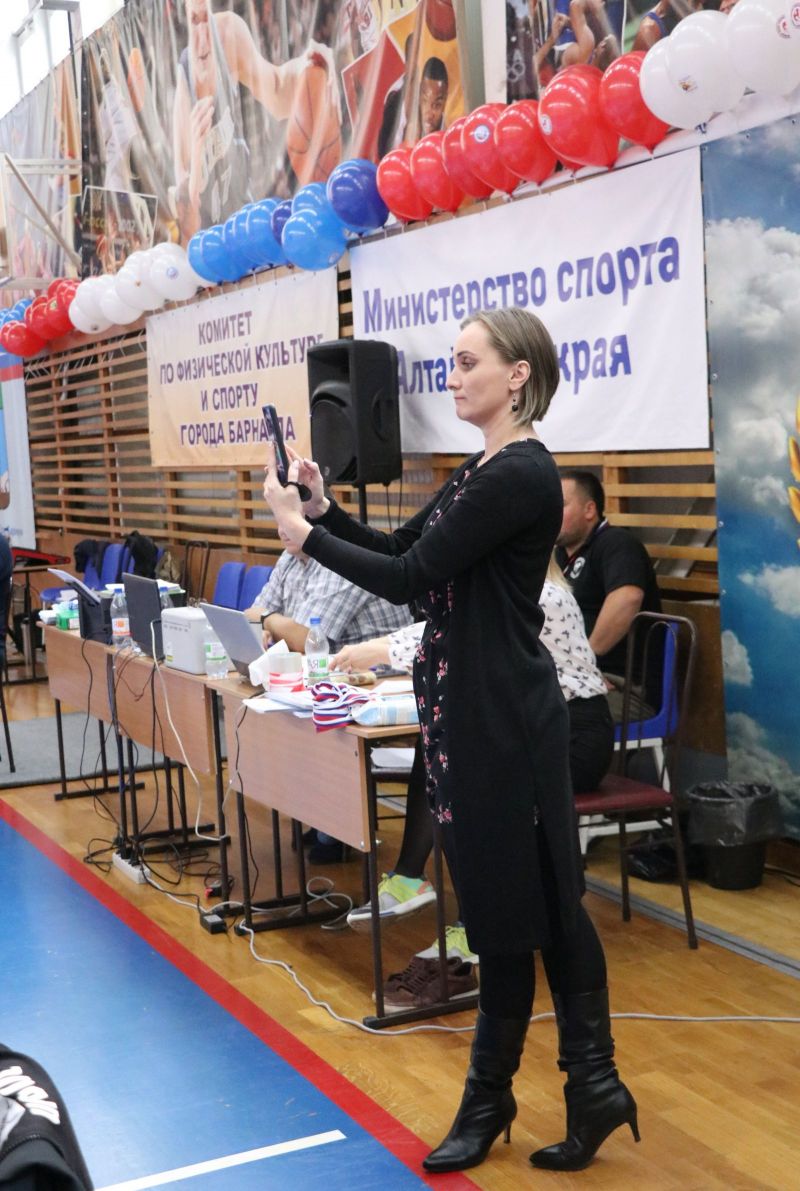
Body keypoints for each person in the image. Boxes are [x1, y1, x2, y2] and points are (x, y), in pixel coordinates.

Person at [263, 306, 637, 1175]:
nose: (453, 375)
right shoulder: (484, 468)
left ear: (517, 374)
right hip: (474, 712)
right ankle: (583, 1086)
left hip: (504, 719)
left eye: (469, 361)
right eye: (454, 361)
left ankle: (507, 1094)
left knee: (516, 913)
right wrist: (325, 510)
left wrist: (303, 535)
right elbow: (402, 545)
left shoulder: (521, 473)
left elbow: (407, 577)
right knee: (526, 907)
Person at [334, 560, 614, 1012]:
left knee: (471, 779)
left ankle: (466, 931)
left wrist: (379, 648)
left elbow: (457, 634)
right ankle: (415, 882)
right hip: (528, 729)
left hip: (576, 737)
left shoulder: (540, 593)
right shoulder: (508, 588)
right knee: (442, 751)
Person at [245, 534, 412, 863]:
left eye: (289, 521)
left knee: (320, 713)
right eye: (278, 521)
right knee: (292, 714)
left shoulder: (342, 557)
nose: (281, 530)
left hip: (381, 678)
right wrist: (266, 621)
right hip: (337, 672)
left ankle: (337, 829)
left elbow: (308, 636)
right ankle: (324, 819)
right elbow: (252, 612)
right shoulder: (290, 558)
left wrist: (269, 619)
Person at [173, 0, 339, 242]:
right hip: (210, 245)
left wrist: (308, 63)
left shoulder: (228, 34)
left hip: (245, 228)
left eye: (207, 18)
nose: (202, 35)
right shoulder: (185, 75)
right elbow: (186, 214)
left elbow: (277, 90)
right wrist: (197, 162)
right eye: (195, 20)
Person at [556, 469, 662, 720]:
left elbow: (627, 598)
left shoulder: (617, 543)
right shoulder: (558, 556)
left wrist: (582, 666)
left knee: (538, 713)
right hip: (569, 677)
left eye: (561, 505)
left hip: (623, 687)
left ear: (589, 510)